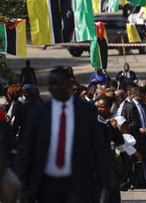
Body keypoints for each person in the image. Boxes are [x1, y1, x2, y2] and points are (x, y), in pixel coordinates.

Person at [16, 67, 109, 202]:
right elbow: (26, 150)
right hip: (45, 185)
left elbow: (99, 149)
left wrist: (104, 184)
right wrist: (22, 183)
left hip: (78, 184)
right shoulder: (38, 113)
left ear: (69, 85)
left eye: (60, 83)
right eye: (52, 84)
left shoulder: (86, 111)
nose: (55, 87)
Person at [95, 95, 124, 203]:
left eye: (101, 107)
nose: (98, 109)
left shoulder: (111, 122)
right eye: (97, 106)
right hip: (95, 167)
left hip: (110, 165)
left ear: (109, 107)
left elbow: (120, 140)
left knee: (113, 194)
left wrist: (114, 128)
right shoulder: (92, 122)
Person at [131, 86, 146, 189]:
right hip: (134, 137)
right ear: (138, 95)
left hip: (145, 137)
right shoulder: (130, 106)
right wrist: (138, 129)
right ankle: (133, 182)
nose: (144, 96)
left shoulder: (144, 106)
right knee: (134, 160)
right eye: (142, 95)